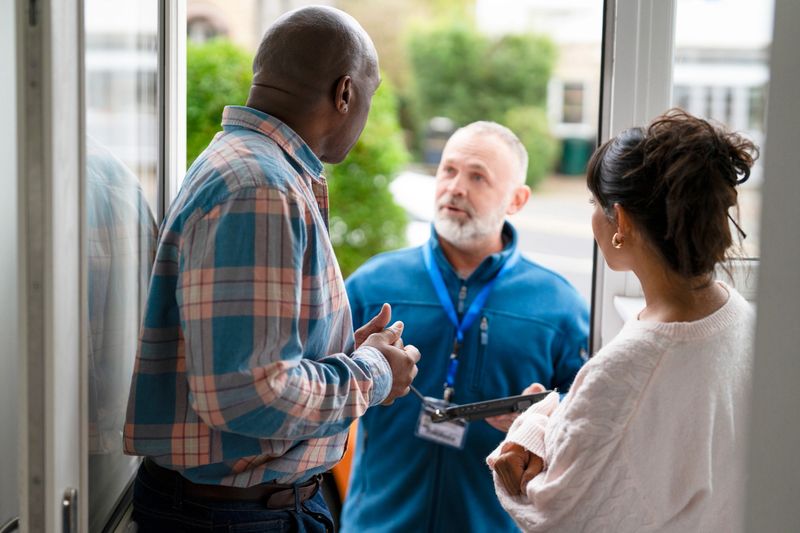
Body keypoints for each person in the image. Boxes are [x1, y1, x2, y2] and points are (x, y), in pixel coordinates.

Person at [123, 6, 420, 532]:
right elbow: (249, 396)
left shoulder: (245, 166)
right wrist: (372, 373)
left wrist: (342, 353)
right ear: (345, 93)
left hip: (232, 511)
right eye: (369, 99)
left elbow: (244, 361)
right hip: (235, 518)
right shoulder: (260, 188)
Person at [488, 109, 758, 532]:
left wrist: (529, 428)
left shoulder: (628, 369)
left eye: (594, 204)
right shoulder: (742, 318)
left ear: (623, 223)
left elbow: (553, 516)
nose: (592, 216)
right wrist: (558, 416)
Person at [340, 121, 589, 533]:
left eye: (478, 177)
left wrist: (542, 423)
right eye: (448, 170)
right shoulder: (371, 285)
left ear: (517, 199)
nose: (456, 187)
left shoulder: (559, 306)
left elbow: (588, 432)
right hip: (375, 525)